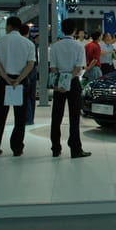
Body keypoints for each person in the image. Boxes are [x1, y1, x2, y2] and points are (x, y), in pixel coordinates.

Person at [0, 16, 36, 158]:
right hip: (20, 82)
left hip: (4, 81)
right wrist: (18, 79)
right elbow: (30, 64)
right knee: (20, 117)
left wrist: (6, 77)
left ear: (8, 26)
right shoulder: (28, 44)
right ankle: (17, 148)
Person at [49, 18, 91, 158]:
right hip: (73, 84)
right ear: (74, 30)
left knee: (56, 117)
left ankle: (55, 148)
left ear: (62, 29)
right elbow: (78, 68)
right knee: (74, 117)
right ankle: (75, 149)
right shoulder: (79, 46)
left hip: (58, 83)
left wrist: (61, 82)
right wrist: (67, 81)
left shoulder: (55, 46)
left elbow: (53, 68)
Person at [20, 24, 37, 125]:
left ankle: (27, 118)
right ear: (28, 32)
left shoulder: (18, 43)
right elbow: (34, 61)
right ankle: (31, 118)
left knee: (24, 95)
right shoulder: (31, 43)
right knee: (31, 95)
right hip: (32, 70)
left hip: (23, 70)